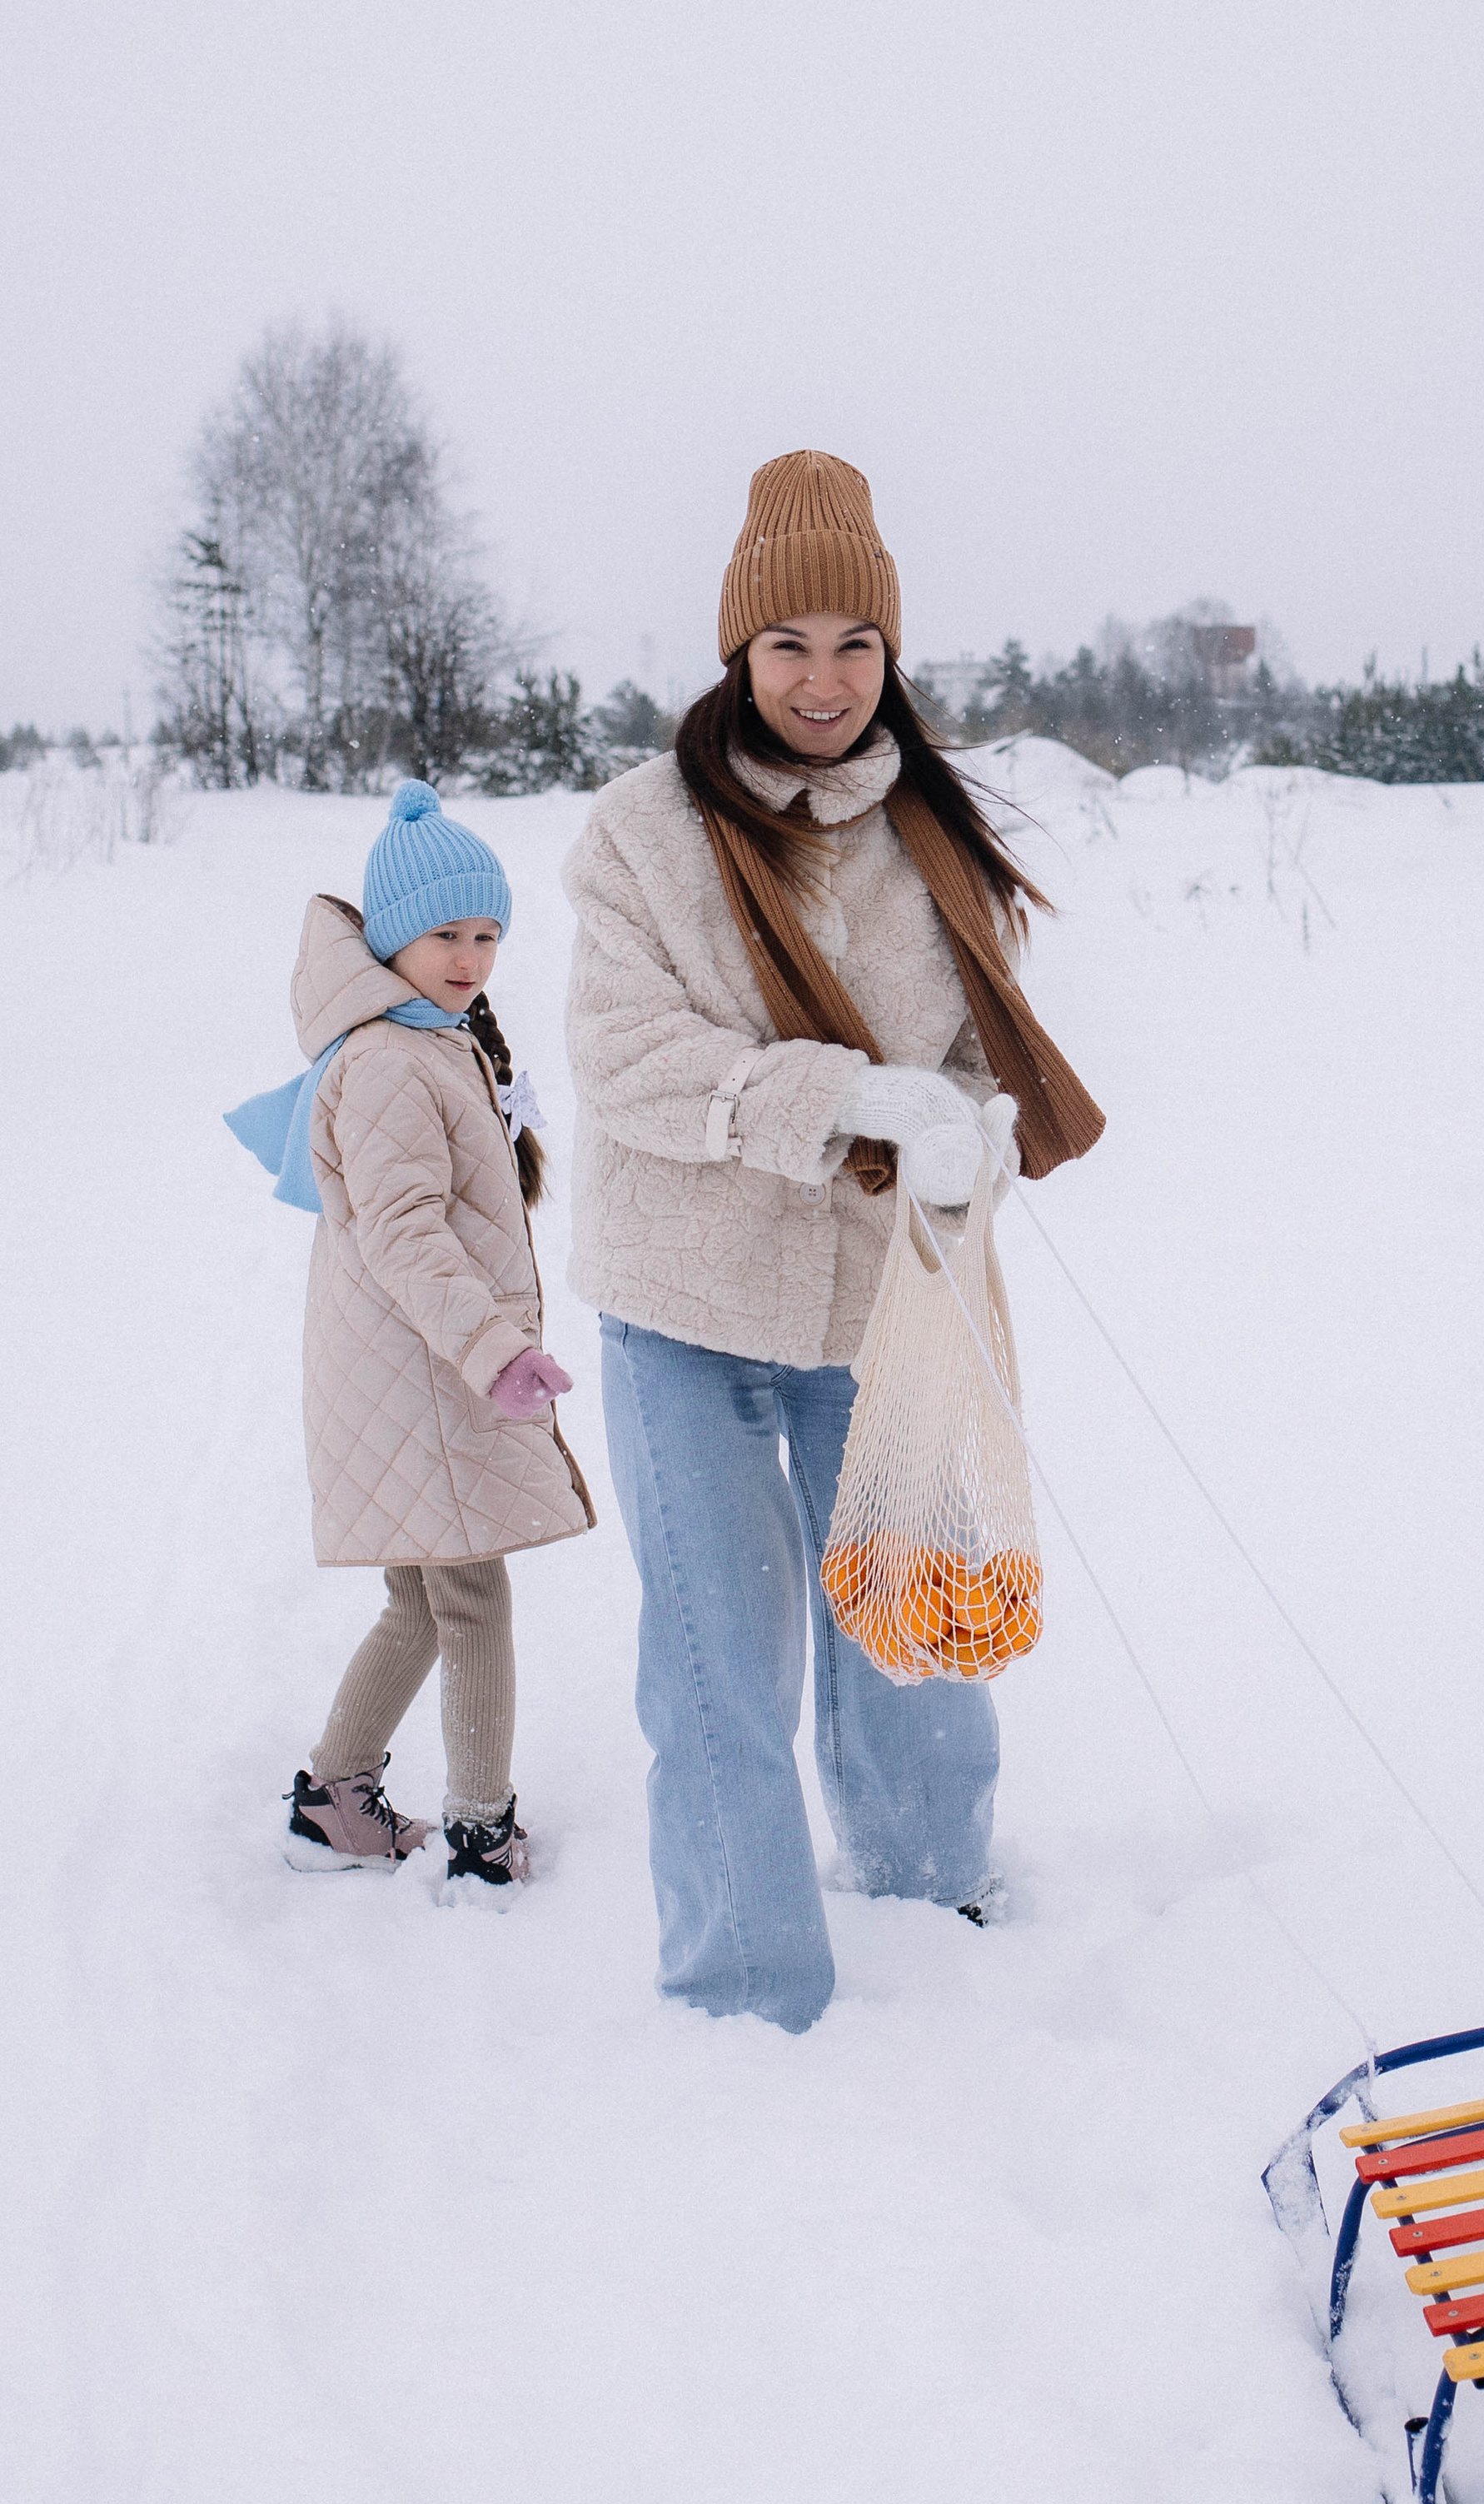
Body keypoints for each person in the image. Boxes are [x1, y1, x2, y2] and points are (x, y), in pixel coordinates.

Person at [562, 448, 1103, 2029]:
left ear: (892, 655)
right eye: (789, 645)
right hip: (685, 1309)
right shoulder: (642, 834)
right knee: (721, 1663)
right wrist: (842, 1093)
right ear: (740, 652)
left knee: (910, 1621)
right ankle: (747, 1996)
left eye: (853, 645)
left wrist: (962, 1138)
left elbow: (972, 1071)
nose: (822, 678)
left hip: (880, 1314)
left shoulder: (941, 841)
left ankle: (935, 1910)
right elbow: (628, 1060)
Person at [249, 782, 593, 1892]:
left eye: (488, 933)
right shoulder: (395, 1060)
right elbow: (405, 1231)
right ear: (395, 934)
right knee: (471, 1593)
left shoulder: (427, 1039)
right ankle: (482, 1831)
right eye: (448, 933)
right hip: (431, 1371)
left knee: (424, 1595)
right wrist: (493, 1350)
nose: (471, 955)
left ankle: (334, 1795)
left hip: (415, 1368)